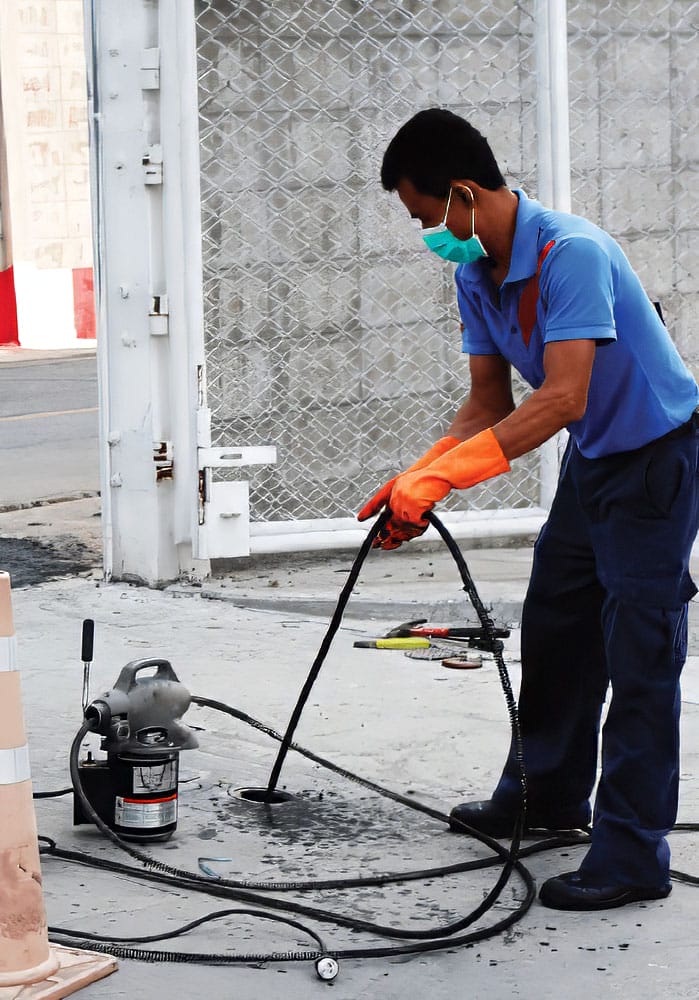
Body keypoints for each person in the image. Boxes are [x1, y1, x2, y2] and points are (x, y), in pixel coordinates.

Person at [357, 108, 699, 912]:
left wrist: (445, 480)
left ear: (463, 194)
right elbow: (487, 403)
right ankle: (543, 797)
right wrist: (417, 476)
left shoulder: (569, 253)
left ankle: (631, 856)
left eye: (425, 215)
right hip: (593, 459)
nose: (426, 234)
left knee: (638, 654)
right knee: (554, 625)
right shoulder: (474, 273)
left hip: (655, 460)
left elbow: (561, 396)